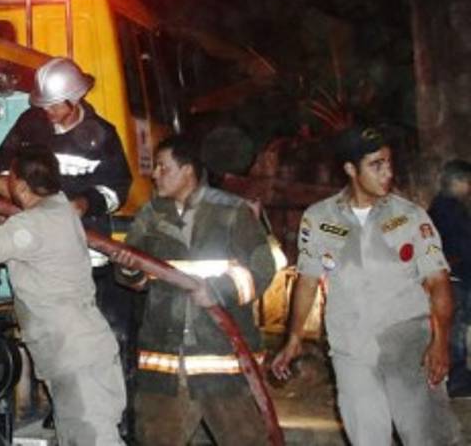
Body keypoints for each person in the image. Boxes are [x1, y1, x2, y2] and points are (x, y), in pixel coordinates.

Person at [0, 57, 135, 432]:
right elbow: (11, 173)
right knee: (69, 368)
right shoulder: (31, 126)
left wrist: (83, 204)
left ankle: (105, 423)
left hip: (87, 259)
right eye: (44, 106)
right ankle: (72, 417)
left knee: (93, 355)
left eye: (57, 106)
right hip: (41, 255)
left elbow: (116, 189)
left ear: (79, 97)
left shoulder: (101, 135)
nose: (51, 113)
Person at [271, 127, 462, 445]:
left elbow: (438, 282)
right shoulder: (318, 219)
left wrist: (440, 342)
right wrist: (292, 338)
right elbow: (307, 280)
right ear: (350, 169)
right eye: (376, 164)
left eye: (389, 162)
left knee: (426, 437)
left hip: (408, 344)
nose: (387, 172)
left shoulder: (411, 217)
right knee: (367, 438)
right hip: (351, 348)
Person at [110, 135, 275, 446]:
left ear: (187, 170)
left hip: (224, 362)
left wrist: (219, 290)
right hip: (166, 363)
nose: (154, 174)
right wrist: (129, 269)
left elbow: (263, 268)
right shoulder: (151, 215)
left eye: (163, 167)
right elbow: (133, 276)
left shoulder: (232, 212)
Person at [0, 143, 126, 446]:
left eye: (11, 179)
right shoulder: (58, 205)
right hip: (81, 350)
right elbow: (14, 191)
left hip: (76, 357)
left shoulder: (34, 224)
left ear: (22, 186)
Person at [429, 158, 471, 394]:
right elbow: (462, 245)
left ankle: (458, 374)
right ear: (457, 181)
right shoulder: (448, 210)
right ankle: (455, 378)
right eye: (467, 182)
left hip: (455, 275)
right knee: (455, 326)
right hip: (454, 278)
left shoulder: (444, 208)